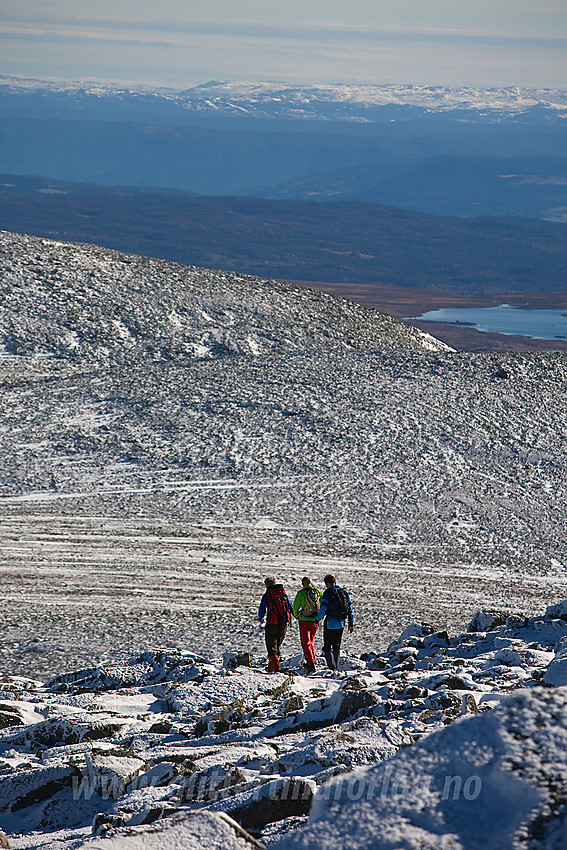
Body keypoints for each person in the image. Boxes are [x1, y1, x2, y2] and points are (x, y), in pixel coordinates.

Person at [315, 573, 354, 671]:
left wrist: (317, 619)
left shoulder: (328, 593)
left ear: (327, 583)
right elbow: (350, 609)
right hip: (341, 623)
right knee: (337, 646)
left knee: (327, 646)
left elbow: (323, 608)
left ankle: (331, 667)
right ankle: (336, 666)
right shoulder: (343, 592)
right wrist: (351, 623)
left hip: (330, 623)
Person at [258, 577, 293, 672]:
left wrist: (261, 618)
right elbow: (290, 605)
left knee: (271, 644)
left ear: (267, 585)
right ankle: (271, 667)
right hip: (284, 622)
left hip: (272, 622)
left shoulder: (268, 595)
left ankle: (276, 667)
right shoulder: (282, 593)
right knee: (277, 643)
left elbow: (262, 608)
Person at [293, 576, 322, 674]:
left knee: (305, 642)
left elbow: (296, 607)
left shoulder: (301, 593)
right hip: (314, 620)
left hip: (304, 620)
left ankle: (310, 663)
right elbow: (322, 605)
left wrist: (297, 615)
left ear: (303, 584)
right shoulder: (318, 593)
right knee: (311, 641)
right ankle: (312, 659)